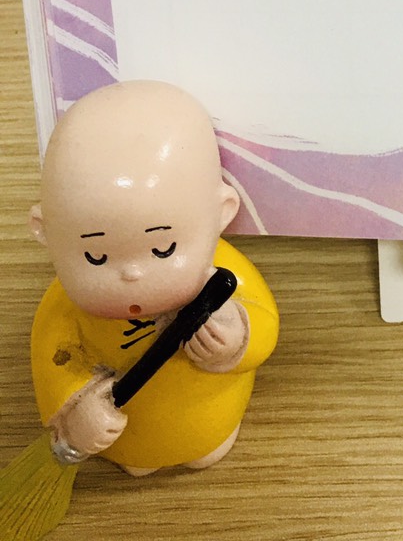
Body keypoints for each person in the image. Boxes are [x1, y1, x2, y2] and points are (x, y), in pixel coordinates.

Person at [28, 80, 278, 474]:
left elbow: (264, 325)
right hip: (130, 443)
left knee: (207, 447)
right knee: (136, 461)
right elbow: (53, 361)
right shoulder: (63, 311)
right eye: (96, 256)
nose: (132, 273)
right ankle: (139, 459)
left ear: (222, 213)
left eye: (163, 249)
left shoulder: (226, 278)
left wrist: (237, 337)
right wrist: (77, 411)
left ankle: (207, 443)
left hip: (208, 423)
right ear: (47, 232)